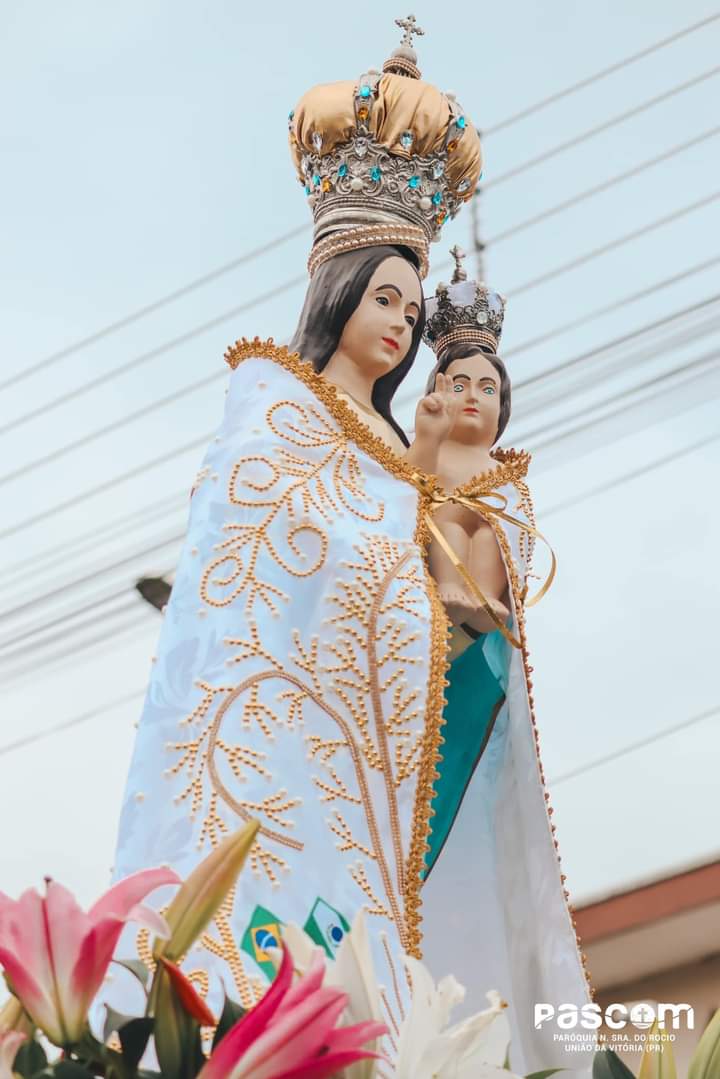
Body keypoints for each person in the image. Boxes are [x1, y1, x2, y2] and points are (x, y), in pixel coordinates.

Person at [109, 20, 593, 1075]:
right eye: (386, 297)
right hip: (262, 766)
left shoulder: (396, 458)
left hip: (367, 788)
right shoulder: (271, 407)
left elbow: (434, 596)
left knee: (367, 994)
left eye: (413, 311)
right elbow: (234, 610)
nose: (400, 325)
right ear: (337, 287)